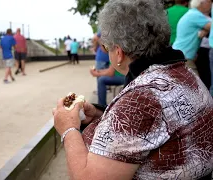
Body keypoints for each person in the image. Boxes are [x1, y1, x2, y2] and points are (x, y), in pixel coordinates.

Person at [53, 0, 213, 179]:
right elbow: (150, 129)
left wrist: (68, 129)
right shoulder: (183, 73)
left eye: (106, 47)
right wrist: (101, 115)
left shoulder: (141, 99)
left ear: (119, 53)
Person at [173, 0, 211, 74]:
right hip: (185, 55)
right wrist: (206, 30)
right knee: (196, 84)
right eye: (208, 2)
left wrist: (205, 30)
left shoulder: (192, 13)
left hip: (182, 53)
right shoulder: (196, 15)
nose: (211, 4)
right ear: (201, 4)